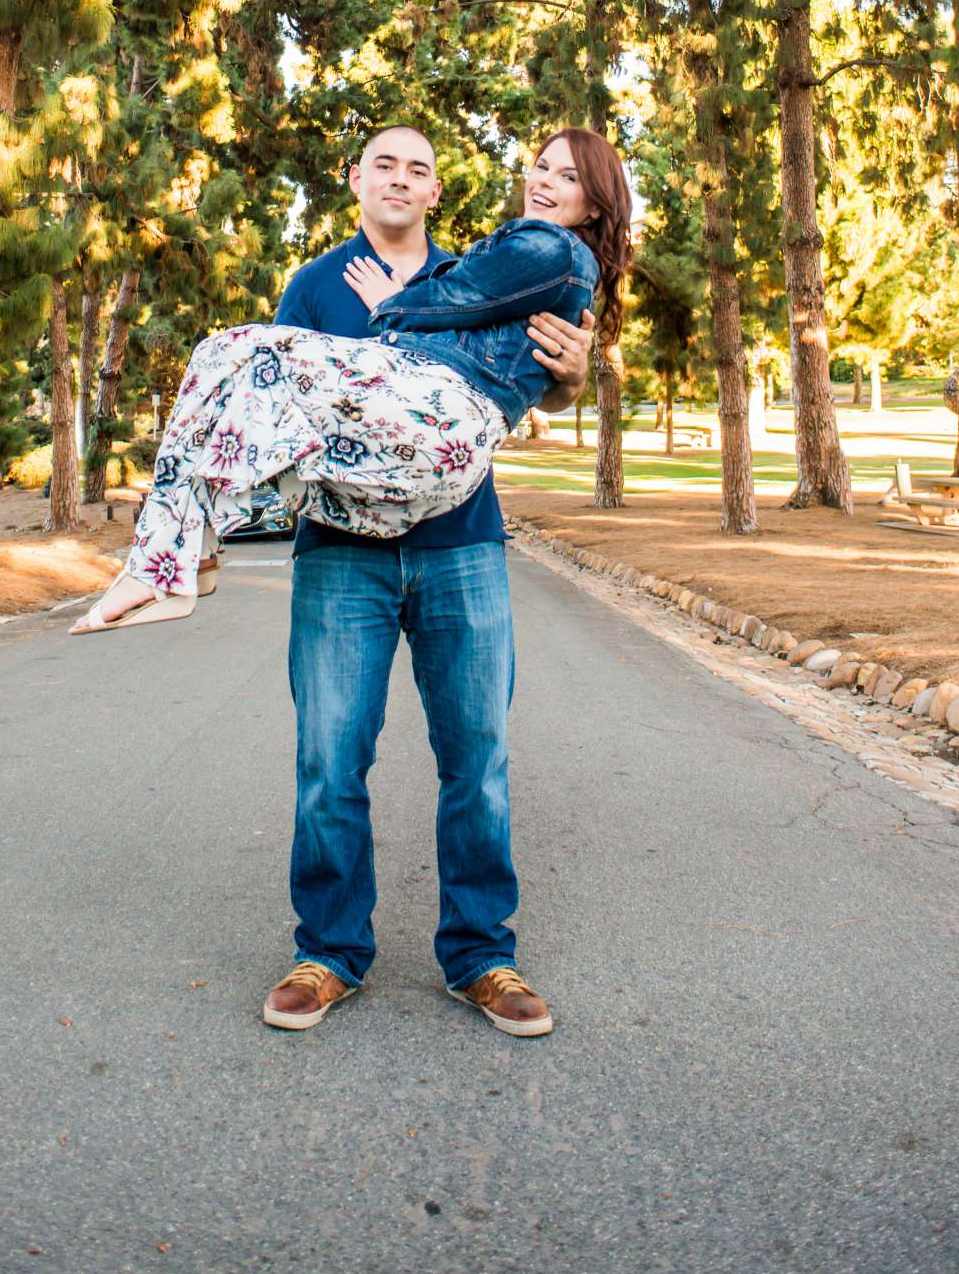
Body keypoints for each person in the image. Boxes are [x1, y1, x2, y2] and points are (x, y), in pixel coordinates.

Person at [73, 124, 632, 1041]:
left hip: (459, 545)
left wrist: (575, 376)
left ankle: (482, 956)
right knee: (331, 761)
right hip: (342, 554)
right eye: (385, 164)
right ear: (356, 179)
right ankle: (328, 954)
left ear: (437, 191)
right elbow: (274, 405)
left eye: (419, 168)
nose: (400, 180)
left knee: (476, 761)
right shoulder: (314, 284)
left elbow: (524, 376)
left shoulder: (491, 261)